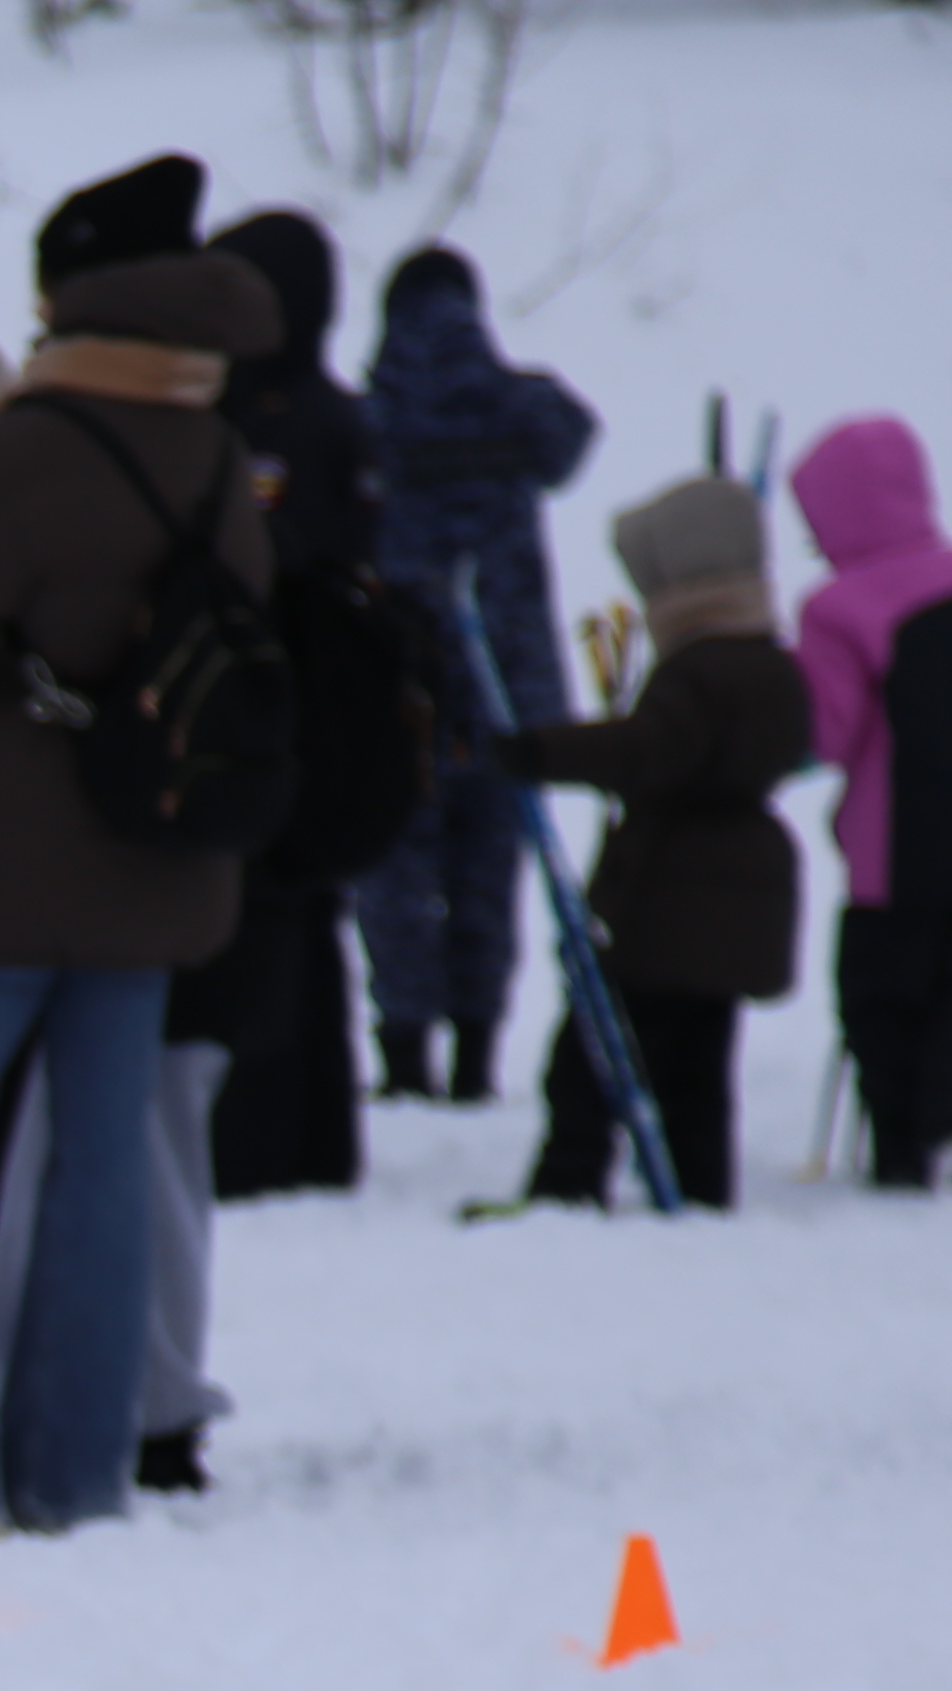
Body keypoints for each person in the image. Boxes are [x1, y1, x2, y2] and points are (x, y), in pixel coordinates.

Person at [0, 156, 276, 1540]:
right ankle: (77, 1475)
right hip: (159, 862)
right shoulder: (210, 445)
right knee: (100, 1158)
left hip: (6, 869)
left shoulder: (32, 442)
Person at [491, 475, 811, 1213]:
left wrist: (542, 751)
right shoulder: (770, 662)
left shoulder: (699, 671)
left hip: (677, 897)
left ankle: (567, 1183)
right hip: (739, 892)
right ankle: (700, 1188)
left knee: (593, 1053)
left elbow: (648, 751)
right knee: (697, 1064)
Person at [178, 206, 390, 1216]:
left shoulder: (296, 421)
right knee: (289, 919)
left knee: (273, 916)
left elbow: (295, 563)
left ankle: (272, 1141)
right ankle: (302, 1137)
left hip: (294, 694)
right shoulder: (271, 410)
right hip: (295, 692)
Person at [355, 246, 597, 1105]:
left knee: (395, 868)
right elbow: (575, 437)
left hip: (395, 678)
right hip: (505, 678)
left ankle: (405, 1054)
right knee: (489, 868)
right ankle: (477, 1055)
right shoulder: (520, 406)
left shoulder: (372, 413)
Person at [789, 414, 952, 1193]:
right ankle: (951, 1125)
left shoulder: (836, 608)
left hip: (894, 842)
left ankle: (902, 1147)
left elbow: (830, 734)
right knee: (944, 979)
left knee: (878, 993)